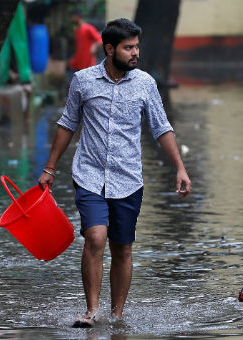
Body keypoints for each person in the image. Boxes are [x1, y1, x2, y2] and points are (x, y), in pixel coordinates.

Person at [38, 18, 191, 328]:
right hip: (89, 174)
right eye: (128, 47)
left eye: (137, 46)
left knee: (122, 247)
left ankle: (117, 314)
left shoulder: (146, 83)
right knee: (95, 237)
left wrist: (180, 168)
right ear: (109, 49)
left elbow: (161, 128)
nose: (135, 53)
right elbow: (68, 124)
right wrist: (49, 167)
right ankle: (92, 311)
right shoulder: (82, 81)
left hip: (128, 178)